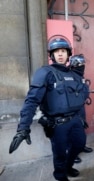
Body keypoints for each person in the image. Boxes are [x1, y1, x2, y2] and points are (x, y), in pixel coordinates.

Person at [9, 36, 89, 181]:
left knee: (79, 144)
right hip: (57, 124)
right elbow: (32, 100)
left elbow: (79, 98)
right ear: (51, 54)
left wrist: (81, 118)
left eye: (63, 51)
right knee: (59, 154)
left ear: (68, 54)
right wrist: (23, 128)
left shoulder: (74, 74)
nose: (60, 54)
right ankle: (60, 175)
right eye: (56, 51)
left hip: (75, 120)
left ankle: (68, 167)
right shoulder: (45, 72)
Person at [68, 54, 93, 164]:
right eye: (81, 64)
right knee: (73, 131)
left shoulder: (79, 76)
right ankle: (73, 153)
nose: (83, 66)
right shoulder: (70, 76)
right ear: (76, 65)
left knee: (82, 127)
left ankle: (81, 146)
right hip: (73, 109)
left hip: (81, 107)